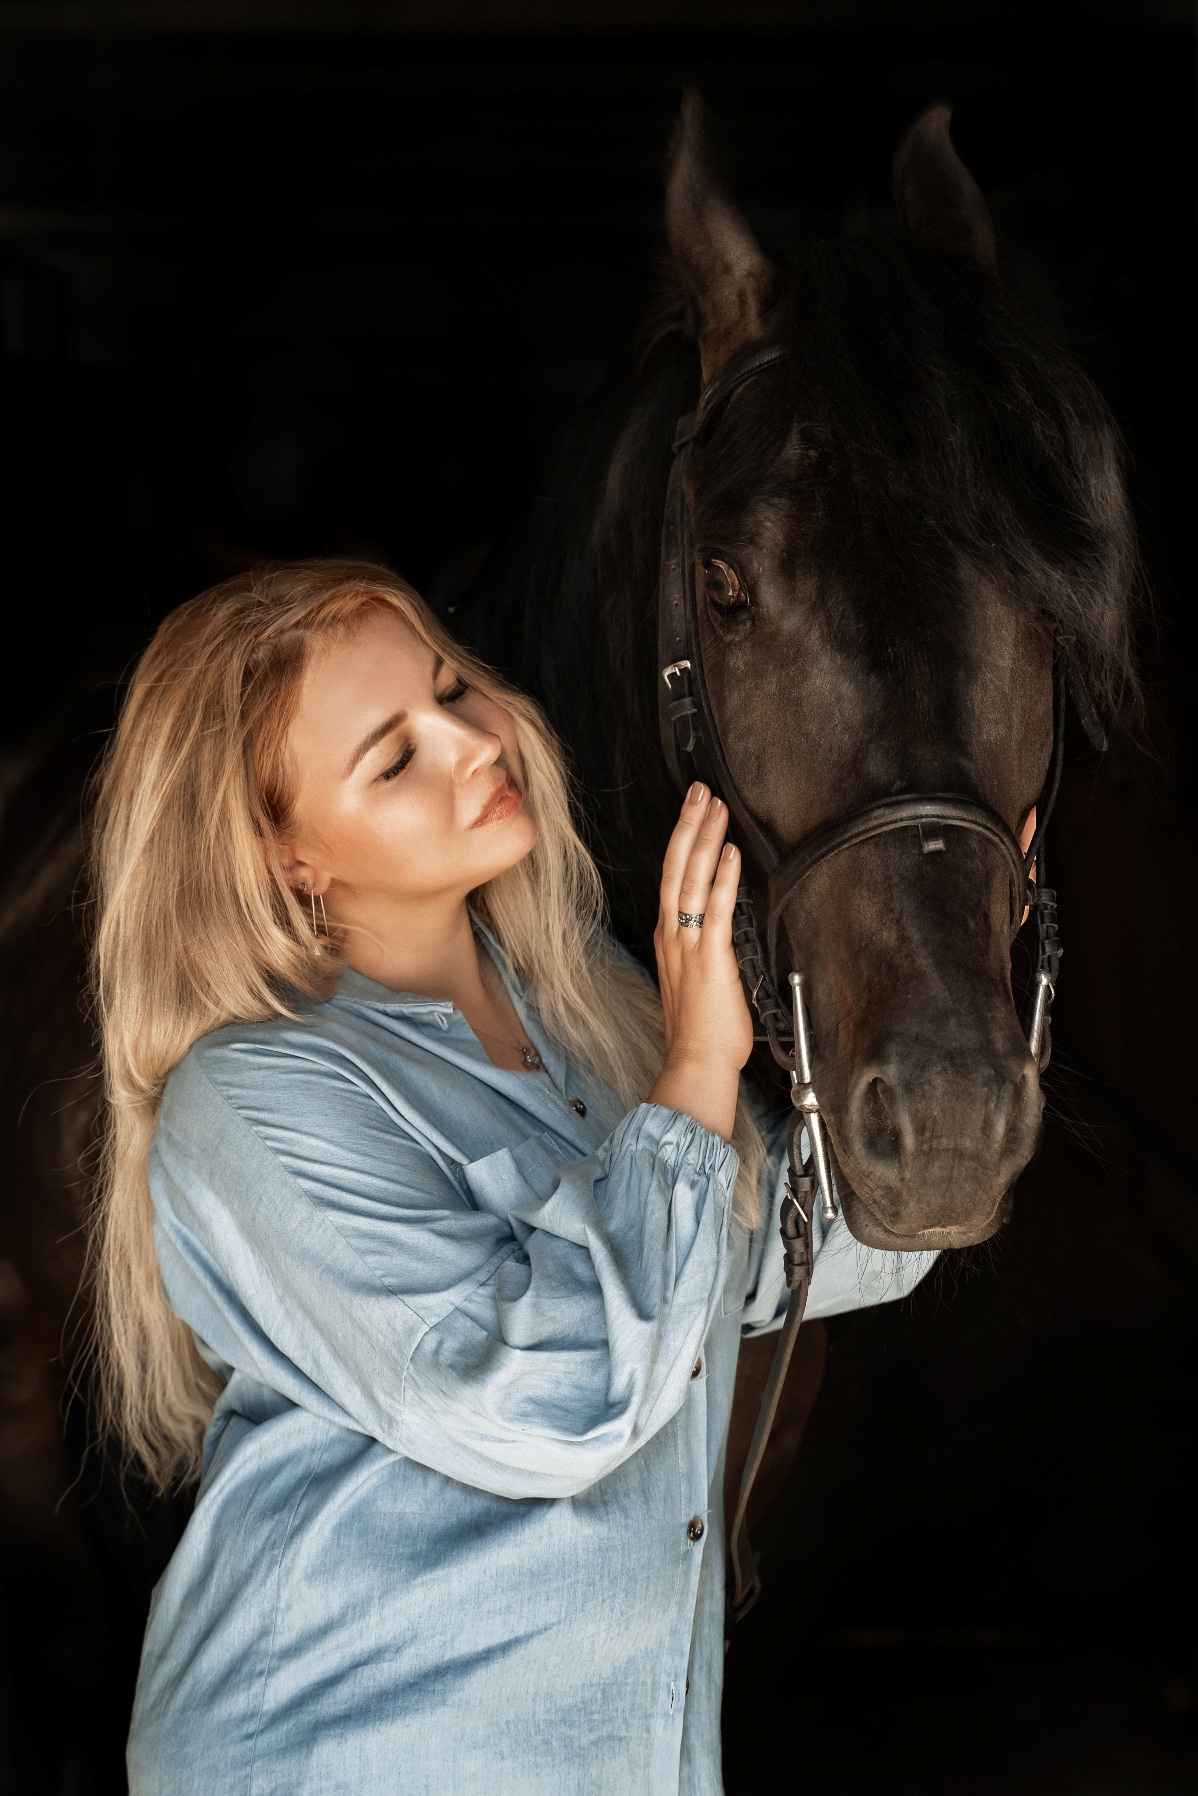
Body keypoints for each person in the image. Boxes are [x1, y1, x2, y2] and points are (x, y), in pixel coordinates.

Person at [90, 560, 933, 1795]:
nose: (472, 740)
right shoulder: (254, 1099)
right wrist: (698, 1068)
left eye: (448, 688)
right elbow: (555, 1401)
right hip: (345, 1755)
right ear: (287, 860)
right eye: (393, 757)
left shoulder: (589, 1016)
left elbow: (761, 1251)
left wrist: (950, 973)